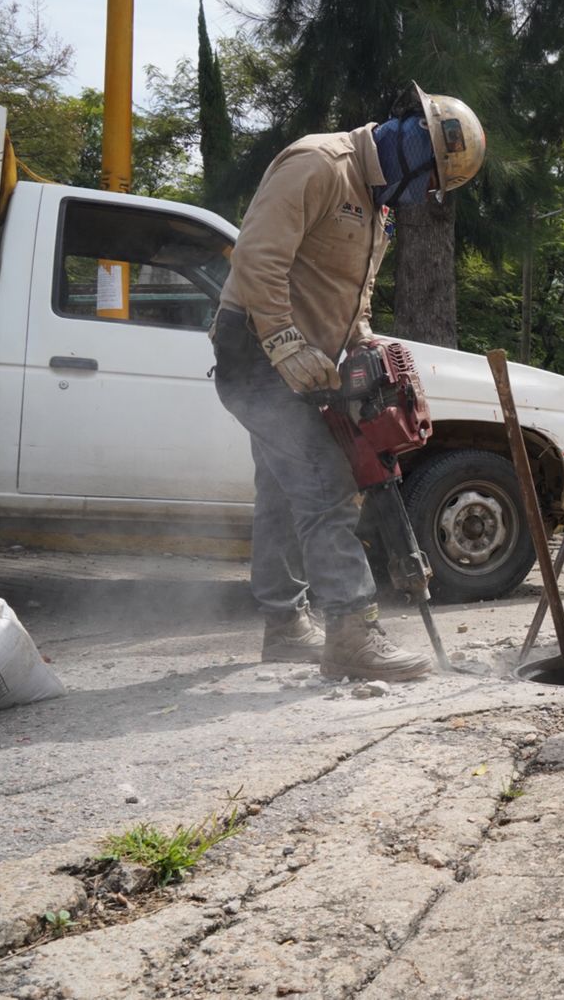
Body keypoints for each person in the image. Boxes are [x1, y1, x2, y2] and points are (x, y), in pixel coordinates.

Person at [211, 84, 485, 680]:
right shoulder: (318, 164)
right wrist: (283, 340)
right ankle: (352, 634)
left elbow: (352, 294)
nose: (426, 192)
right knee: (326, 484)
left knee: (281, 491)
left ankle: (285, 626)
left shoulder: (375, 205)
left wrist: (361, 341)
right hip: (256, 353)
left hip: (309, 360)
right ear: (412, 138)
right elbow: (257, 257)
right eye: (430, 176)